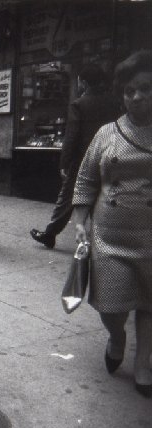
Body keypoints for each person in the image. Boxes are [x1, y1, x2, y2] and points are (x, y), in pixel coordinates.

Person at [71, 50, 151, 398]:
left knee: (148, 306)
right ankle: (117, 336)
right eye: (129, 90)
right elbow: (86, 179)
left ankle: (145, 363)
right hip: (109, 237)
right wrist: (79, 221)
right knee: (111, 307)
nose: (136, 96)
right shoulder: (107, 133)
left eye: (145, 88)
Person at [31, 64, 120, 248]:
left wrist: (64, 162)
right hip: (109, 156)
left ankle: (50, 233)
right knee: (103, 195)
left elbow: (72, 136)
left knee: (67, 197)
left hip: (83, 160)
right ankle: (102, 237)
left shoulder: (78, 104)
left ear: (85, 83)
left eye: (79, 80)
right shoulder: (113, 102)